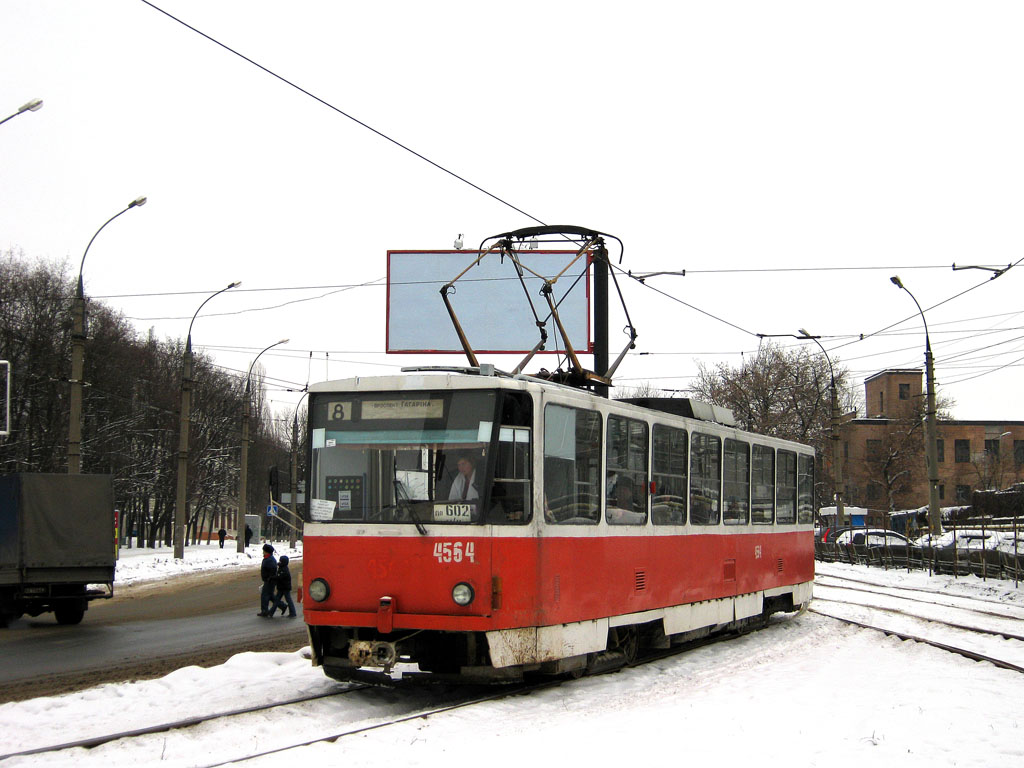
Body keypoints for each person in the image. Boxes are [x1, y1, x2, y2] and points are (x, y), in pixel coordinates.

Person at [257, 543, 277, 617]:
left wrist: (269, 578)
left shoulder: (270, 560)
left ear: (267, 551)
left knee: (265, 595)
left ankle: (264, 611)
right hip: (269, 580)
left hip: (270, 581)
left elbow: (273, 570)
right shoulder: (268, 558)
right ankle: (282, 606)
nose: (263, 552)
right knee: (271, 596)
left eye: (264, 551)